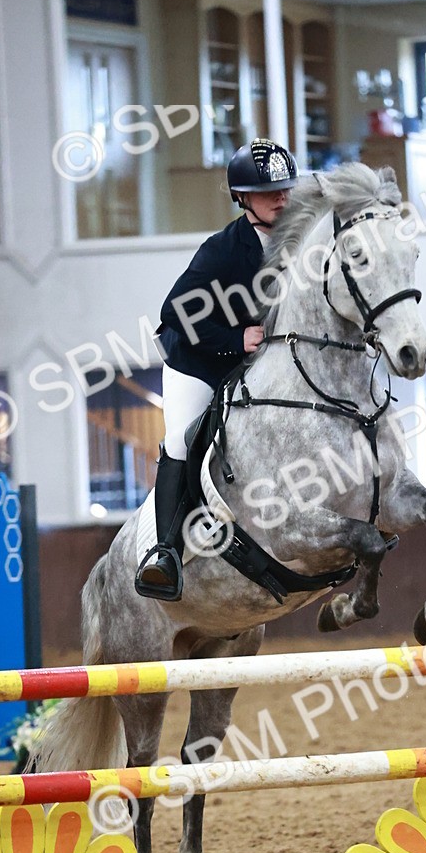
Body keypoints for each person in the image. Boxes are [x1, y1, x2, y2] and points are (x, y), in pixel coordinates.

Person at [135, 138, 299, 601]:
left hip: (260, 363)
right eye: (270, 192)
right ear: (243, 198)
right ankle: (164, 554)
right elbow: (175, 314)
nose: (282, 198)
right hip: (200, 363)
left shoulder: (301, 240)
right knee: (182, 440)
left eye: (286, 188)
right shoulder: (223, 251)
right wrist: (234, 339)